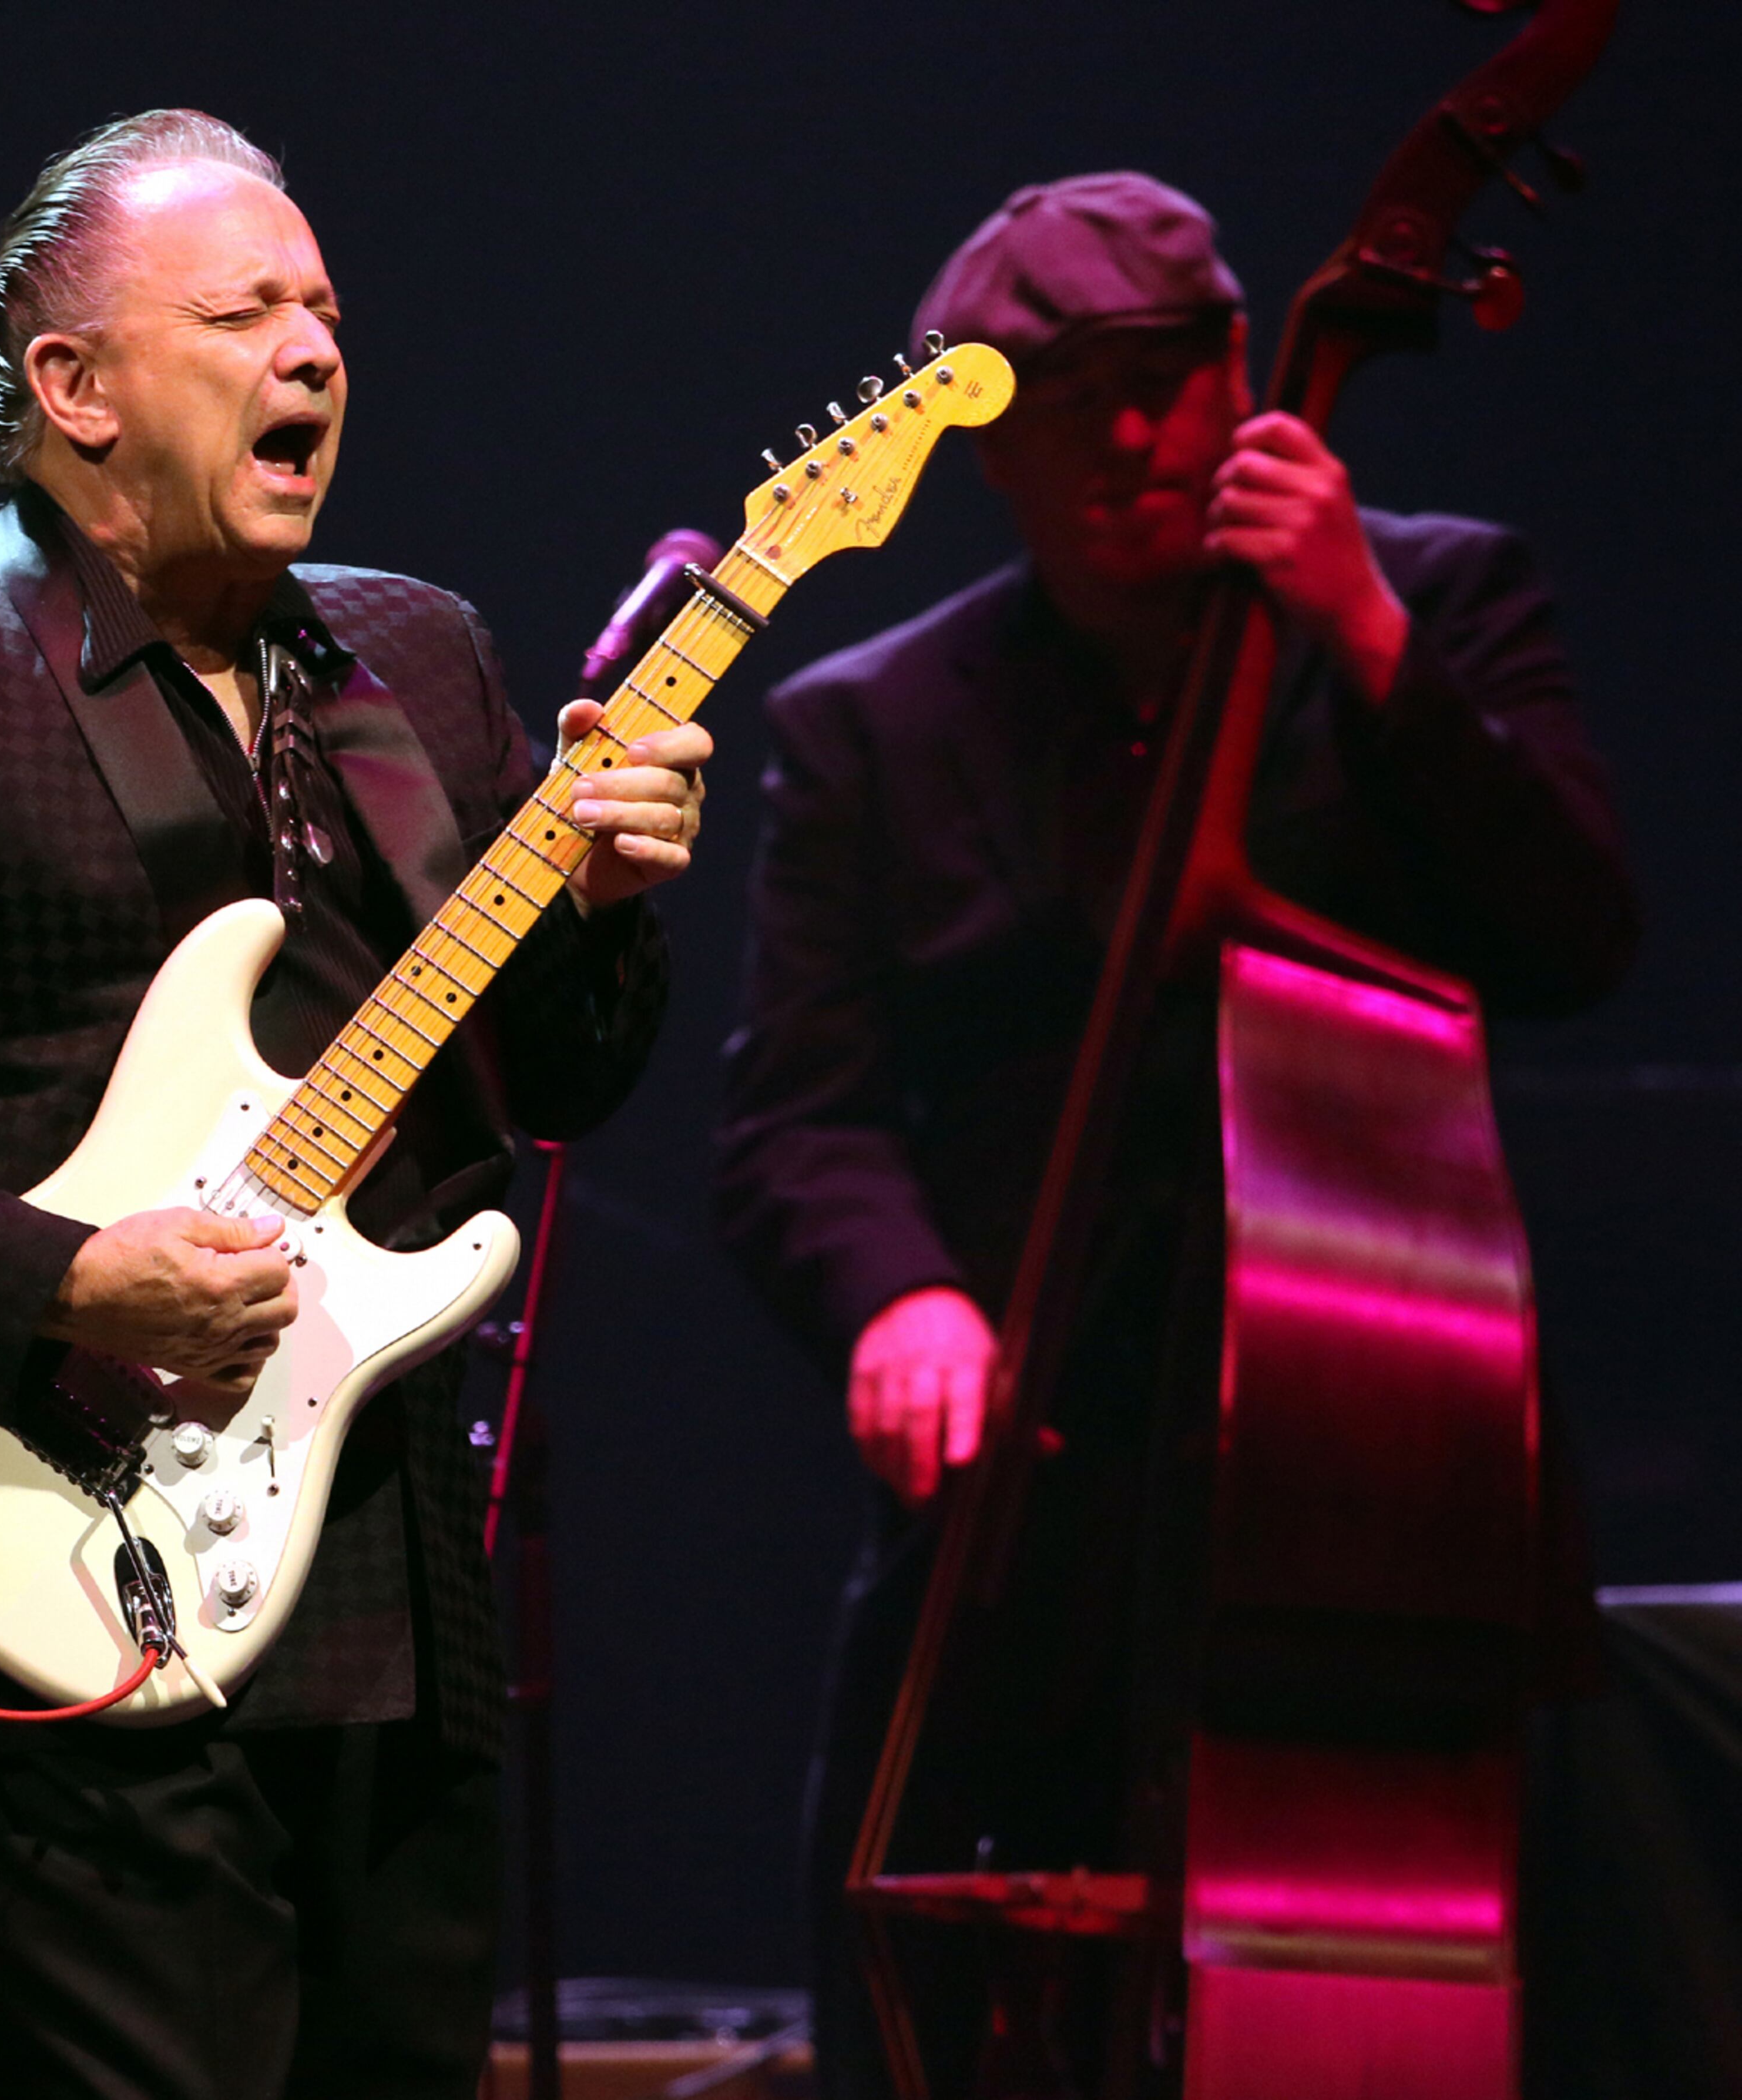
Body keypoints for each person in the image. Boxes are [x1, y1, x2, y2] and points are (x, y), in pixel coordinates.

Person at [0, 110, 711, 2100]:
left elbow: (566, 1083)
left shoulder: (414, 656)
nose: (312, 351)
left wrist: (596, 910)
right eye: (243, 315)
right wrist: (68, 1279)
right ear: (75, 387)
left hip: (394, 1588)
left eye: (326, 314)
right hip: (60, 1564)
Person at [712, 172, 1637, 2096]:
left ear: (1241, 366)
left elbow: (1575, 940)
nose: (1128, 438)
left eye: (1160, 382)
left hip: (1375, 1473)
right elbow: (798, 1111)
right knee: (914, 1984)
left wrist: (1364, 632)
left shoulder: (1446, 596)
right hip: (1027, 1490)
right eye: (1062, 406)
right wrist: (901, 1300)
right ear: (980, 446)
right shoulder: (872, 725)